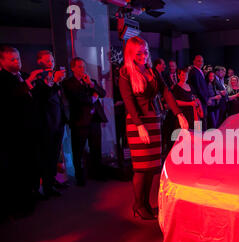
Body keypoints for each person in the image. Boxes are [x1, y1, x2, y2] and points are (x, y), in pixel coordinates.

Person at [118, 36, 188, 220]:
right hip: (137, 122)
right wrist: (139, 125)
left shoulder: (152, 71)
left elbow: (166, 92)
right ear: (131, 54)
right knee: (141, 168)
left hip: (154, 119)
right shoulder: (126, 72)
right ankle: (138, 204)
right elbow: (128, 101)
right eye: (139, 53)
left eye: (146, 52)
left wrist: (179, 114)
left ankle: (146, 203)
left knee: (152, 167)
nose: (143, 56)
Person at [0, 46, 43, 217]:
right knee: (17, 169)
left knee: (31, 165)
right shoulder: (2, 79)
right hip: (14, 133)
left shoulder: (23, 76)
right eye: (12, 59)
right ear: (2, 61)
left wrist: (47, 82)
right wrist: (27, 83)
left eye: (18, 58)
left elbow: (35, 99)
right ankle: (19, 205)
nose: (17, 62)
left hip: (31, 130)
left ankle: (30, 196)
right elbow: (9, 99)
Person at [62, 57, 108, 186]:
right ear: (73, 68)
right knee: (78, 150)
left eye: (84, 66)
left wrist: (92, 85)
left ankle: (96, 173)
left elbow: (103, 93)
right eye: (80, 67)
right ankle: (80, 177)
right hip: (79, 121)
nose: (83, 69)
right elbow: (79, 99)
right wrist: (93, 98)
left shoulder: (90, 80)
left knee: (96, 149)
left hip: (94, 120)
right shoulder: (68, 83)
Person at [31, 50, 68, 198]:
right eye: (46, 60)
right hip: (45, 124)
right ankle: (46, 186)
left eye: (51, 60)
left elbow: (59, 100)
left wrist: (56, 82)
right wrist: (54, 82)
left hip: (58, 122)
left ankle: (51, 181)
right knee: (45, 157)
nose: (50, 63)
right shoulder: (37, 79)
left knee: (54, 156)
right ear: (39, 62)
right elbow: (43, 98)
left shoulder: (55, 76)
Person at [188, 55, 208, 130]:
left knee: (202, 122)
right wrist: (205, 99)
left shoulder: (199, 71)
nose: (201, 63)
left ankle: (202, 139)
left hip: (202, 100)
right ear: (194, 62)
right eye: (198, 61)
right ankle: (199, 139)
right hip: (199, 101)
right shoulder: (194, 71)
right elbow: (198, 88)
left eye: (202, 61)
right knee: (199, 122)